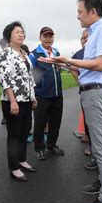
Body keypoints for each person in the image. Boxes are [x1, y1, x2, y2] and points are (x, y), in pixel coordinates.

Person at [40, 0, 102, 203]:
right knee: (98, 146)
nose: (78, 16)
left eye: (80, 12)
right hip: (91, 92)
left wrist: (68, 59)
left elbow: (101, 64)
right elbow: (89, 66)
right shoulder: (95, 33)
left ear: (92, 12)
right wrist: (65, 65)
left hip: (98, 94)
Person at [0, 21, 37, 182]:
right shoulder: (5, 54)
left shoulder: (24, 54)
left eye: (22, 32)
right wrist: (13, 101)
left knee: (25, 131)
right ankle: (13, 167)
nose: (21, 34)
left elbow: (29, 77)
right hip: (12, 101)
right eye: (17, 32)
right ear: (9, 36)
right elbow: (4, 78)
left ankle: (21, 160)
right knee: (14, 135)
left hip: (26, 100)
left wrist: (32, 96)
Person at [28, 27, 65, 160]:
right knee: (39, 123)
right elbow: (28, 75)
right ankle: (39, 147)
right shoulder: (33, 55)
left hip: (57, 95)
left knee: (55, 122)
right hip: (41, 96)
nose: (48, 38)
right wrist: (32, 95)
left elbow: (58, 70)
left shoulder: (56, 52)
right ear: (40, 38)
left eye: (50, 36)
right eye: (45, 36)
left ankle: (51, 145)